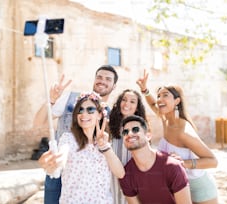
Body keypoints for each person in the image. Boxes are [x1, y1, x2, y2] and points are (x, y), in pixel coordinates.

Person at [35, 65, 118, 204]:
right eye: (99, 77)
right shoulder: (70, 98)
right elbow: (38, 122)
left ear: (114, 86)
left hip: (88, 182)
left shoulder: (109, 113)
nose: (102, 81)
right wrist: (51, 100)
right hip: (59, 167)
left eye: (108, 79)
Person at [136, 69, 218, 204]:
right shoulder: (165, 119)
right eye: (159, 96)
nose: (159, 99)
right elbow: (152, 103)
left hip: (200, 189)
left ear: (177, 101)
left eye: (165, 95)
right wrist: (145, 90)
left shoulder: (184, 131)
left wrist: (182, 164)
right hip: (179, 187)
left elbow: (213, 161)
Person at [44, 92, 125, 203]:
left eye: (90, 110)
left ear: (100, 115)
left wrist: (105, 147)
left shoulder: (105, 141)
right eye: (80, 110)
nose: (84, 114)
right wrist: (54, 163)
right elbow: (62, 155)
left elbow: (120, 173)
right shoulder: (68, 138)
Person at [119, 115, 192, 204]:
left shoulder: (172, 166)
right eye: (125, 132)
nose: (129, 134)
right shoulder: (126, 175)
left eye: (135, 130)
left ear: (148, 136)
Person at [108, 89, 147, 204]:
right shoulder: (109, 125)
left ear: (137, 107)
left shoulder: (141, 128)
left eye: (132, 101)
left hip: (133, 176)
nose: (127, 104)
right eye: (124, 100)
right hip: (111, 175)